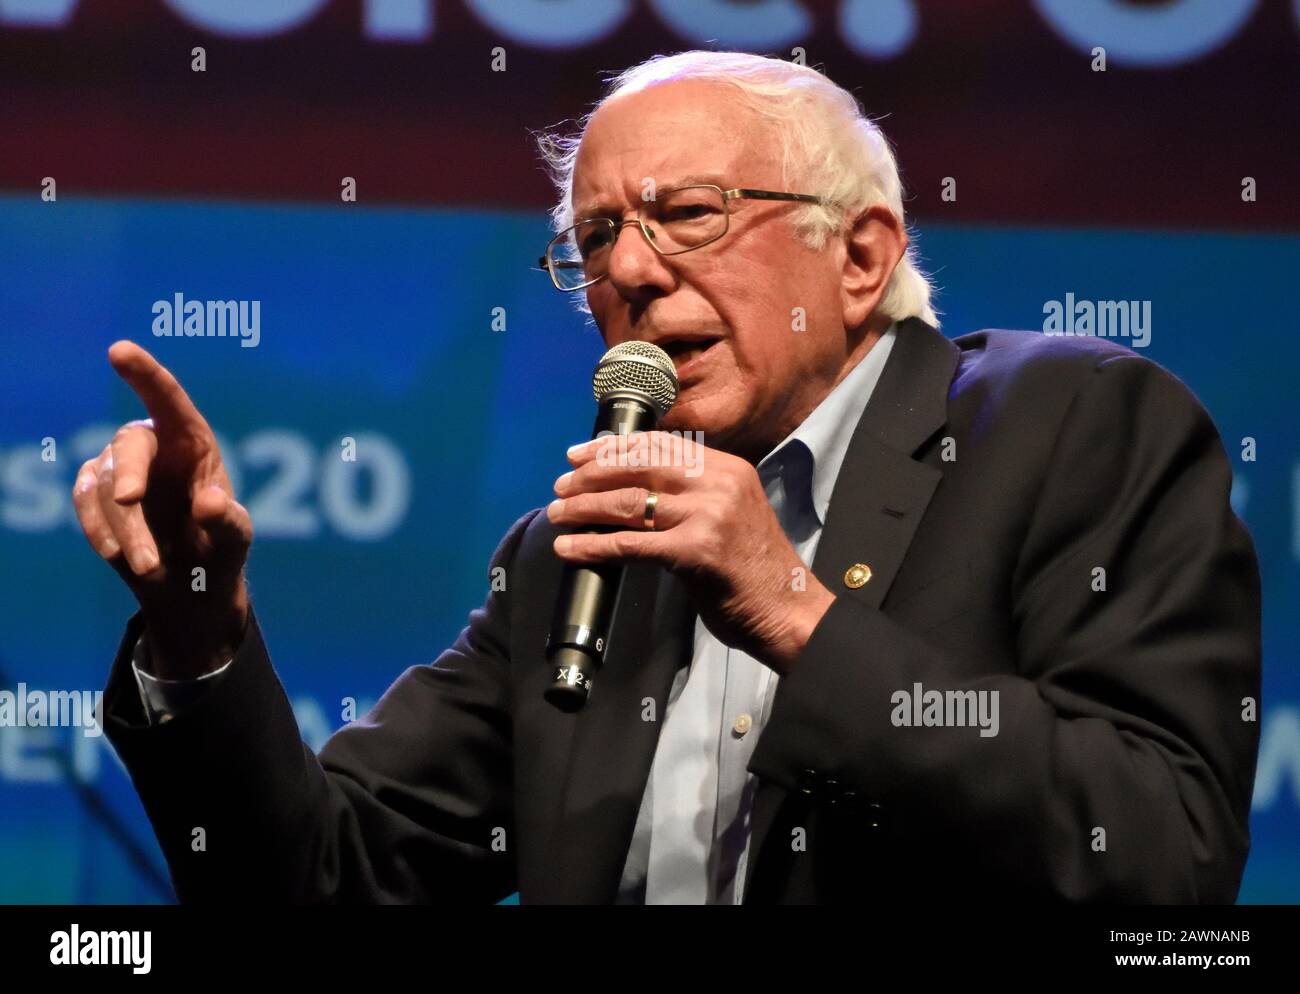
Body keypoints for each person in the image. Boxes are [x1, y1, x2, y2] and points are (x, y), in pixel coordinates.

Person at [77, 51, 1261, 904]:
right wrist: (201, 636)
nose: (630, 270)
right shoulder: (579, 551)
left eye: (687, 215)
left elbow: (1161, 849)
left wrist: (795, 611)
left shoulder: (1070, 427)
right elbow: (323, 878)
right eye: (593, 240)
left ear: (858, 256)